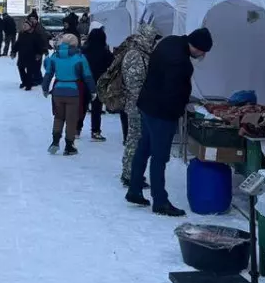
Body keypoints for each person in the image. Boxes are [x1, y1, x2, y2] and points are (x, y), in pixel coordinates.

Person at [125, 27, 213, 216]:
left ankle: (134, 189)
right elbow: (174, 92)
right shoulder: (181, 63)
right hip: (162, 113)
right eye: (203, 52)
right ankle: (160, 201)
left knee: (144, 148)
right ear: (197, 47)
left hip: (146, 104)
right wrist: (180, 111)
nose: (202, 55)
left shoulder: (169, 41)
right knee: (160, 156)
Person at [119, 22, 159, 187]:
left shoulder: (139, 52)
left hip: (138, 103)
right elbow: (134, 83)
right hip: (137, 104)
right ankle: (129, 174)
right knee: (135, 139)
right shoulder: (136, 54)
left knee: (135, 139)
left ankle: (131, 172)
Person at [41, 33, 95, 155]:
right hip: (74, 91)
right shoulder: (80, 57)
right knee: (71, 120)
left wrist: (45, 88)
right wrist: (93, 90)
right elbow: (87, 76)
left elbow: (48, 73)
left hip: (58, 90)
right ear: (75, 44)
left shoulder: (55, 56)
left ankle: (55, 142)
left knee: (58, 117)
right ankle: (69, 146)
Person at [79, 26, 113, 141]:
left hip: (84, 81)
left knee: (82, 106)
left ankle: (77, 129)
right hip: (99, 82)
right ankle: (95, 131)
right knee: (97, 107)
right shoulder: (105, 52)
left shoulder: (83, 50)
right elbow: (111, 66)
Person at [12, 15, 50, 90]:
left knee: (30, 71)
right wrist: (13, 51)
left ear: (30, 26)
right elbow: (17, 43)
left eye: (26, 25)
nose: (24, 27)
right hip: (22, 54)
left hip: (31, 55)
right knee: (21, 68)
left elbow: (40, 45)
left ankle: (28, 85)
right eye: (24, 25)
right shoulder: (21, 34)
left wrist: (39, 53)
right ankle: (24, 82)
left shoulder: (36, 35)